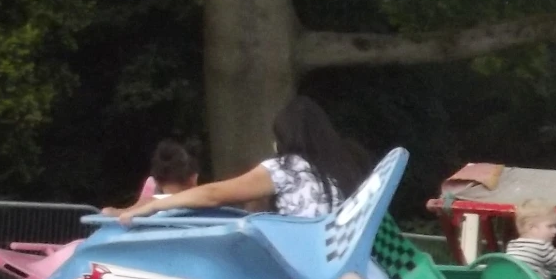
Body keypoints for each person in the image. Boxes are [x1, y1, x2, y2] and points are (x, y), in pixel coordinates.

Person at [111, 97, 369, 222]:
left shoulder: (287, 168)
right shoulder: (346, 167)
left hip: (303, 262)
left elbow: (213, 194)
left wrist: (152, 206)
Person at [103, 139, 199, 219]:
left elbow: (108, 212)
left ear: (156, 181)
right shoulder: (202, 201)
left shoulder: (149, 203)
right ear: (194, 178)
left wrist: (109, 211)